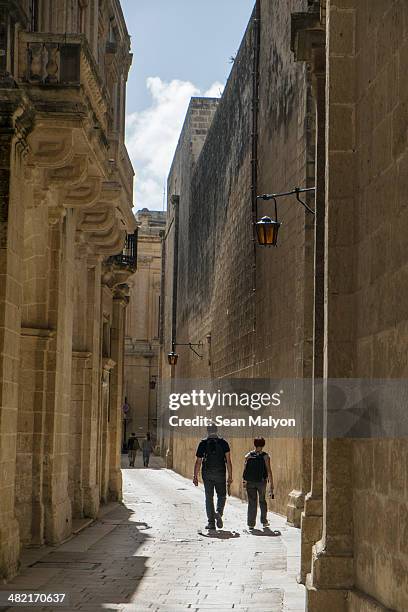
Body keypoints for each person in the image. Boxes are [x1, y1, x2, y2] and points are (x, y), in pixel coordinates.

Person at [193, 424, 233, 530]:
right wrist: (230, 476)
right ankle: (218, 512)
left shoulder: (203, 443)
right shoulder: (223, 443)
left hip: (207, 473)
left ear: (207, 431)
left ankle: (211, 523)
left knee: (209, 498)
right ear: (216, 430)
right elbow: (228, 461)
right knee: (222, 495)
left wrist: (195, 476)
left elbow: (198, 462)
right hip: (220, 473)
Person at [242, 437, 274, 529]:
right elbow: (269, 470)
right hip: (261, 482)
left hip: (250, 482)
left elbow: (245, 470)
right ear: (263, 445)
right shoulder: (265, 456)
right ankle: (264, 521)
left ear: (254, 444)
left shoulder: (248, 456)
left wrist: (244, 481)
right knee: (262, 501)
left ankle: (251, 524)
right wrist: (272, 484)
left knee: (252, 502)